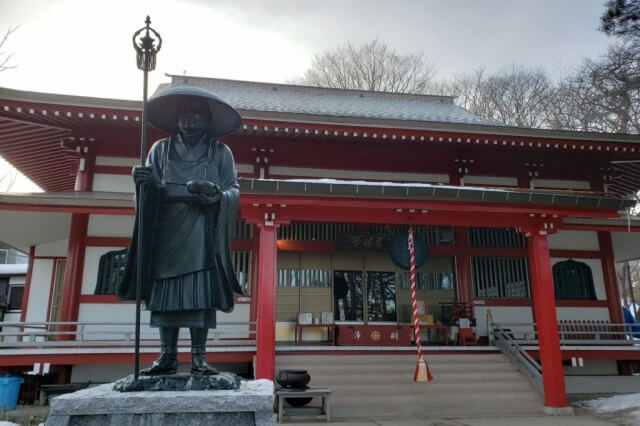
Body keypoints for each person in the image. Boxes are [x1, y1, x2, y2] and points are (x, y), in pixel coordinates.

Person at [116, 86, 243, 376]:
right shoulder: (159, 149)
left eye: (195, 114)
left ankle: (198, 357)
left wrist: (215, 195)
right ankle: (167, 356)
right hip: (167, 227)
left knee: (199, 293)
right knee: (166, 294)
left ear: (208, 118)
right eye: (184, 115)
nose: (188, 120)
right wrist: (141, 181)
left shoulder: (221, 152)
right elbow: (148, 194)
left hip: (200, 227)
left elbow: (232, 189)